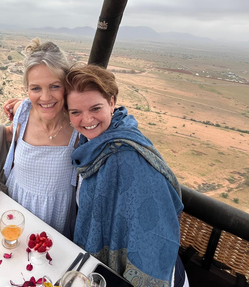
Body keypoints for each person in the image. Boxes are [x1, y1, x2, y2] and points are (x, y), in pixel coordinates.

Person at [64, 64, 186, 286]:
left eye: (95, 108)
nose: (87, 119)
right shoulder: (94, 142)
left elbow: (155, 236)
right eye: (76, 112)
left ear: (111, 103)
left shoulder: (128, 157)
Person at [2, 38, 78, 238]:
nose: (45, 97)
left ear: (67, 86)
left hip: (56, 218)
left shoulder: (78, 126)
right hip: (15, 209)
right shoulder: (22, 112)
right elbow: (11, 133)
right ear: (27, 90)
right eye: (36, 88)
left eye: (54, 86)